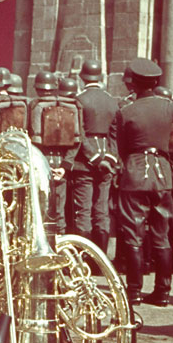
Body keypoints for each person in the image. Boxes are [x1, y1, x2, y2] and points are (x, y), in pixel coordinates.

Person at [114, 59, 173, 306]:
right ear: (155, 82)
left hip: (134, 174)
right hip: (162, 175)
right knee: (162, 236)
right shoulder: (170, 107)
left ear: (134, 82)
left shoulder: (125, 111)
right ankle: (163, 292)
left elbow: (121, 147)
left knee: (133, 236)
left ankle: (133, 292)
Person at [70, 58, 119, 254]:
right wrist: (109, 158)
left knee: (83, 212)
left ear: (82, 78)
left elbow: (79, 134)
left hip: (85, 162)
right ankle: (102, 260)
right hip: (107, 159)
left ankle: (84, 260)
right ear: (100, 77)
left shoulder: (79, 100)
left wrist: (94, 158)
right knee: (101, 212)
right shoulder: (111, 100)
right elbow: (115, 134)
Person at [28, 69, 82, 234]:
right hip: (60, 166)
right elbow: (76, 140)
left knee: (36, 209)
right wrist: (64, 166)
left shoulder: (34, 106)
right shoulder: (70, 107)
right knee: (58, 212)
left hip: (39, 163)